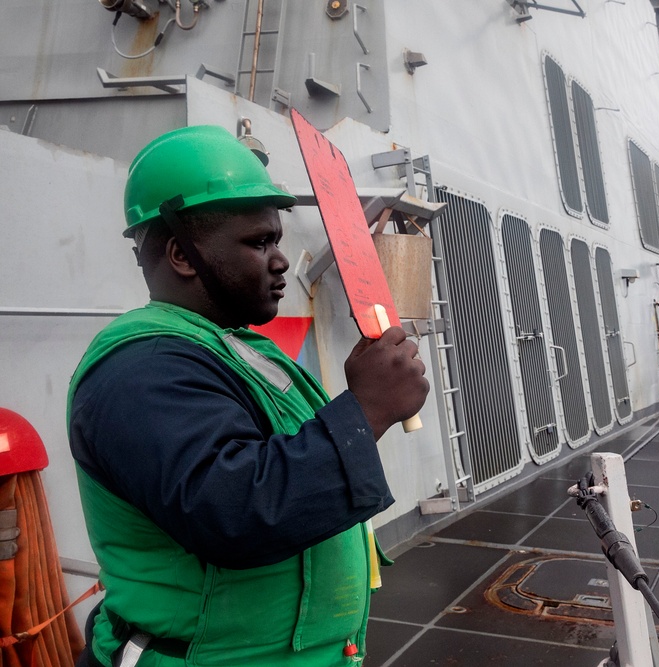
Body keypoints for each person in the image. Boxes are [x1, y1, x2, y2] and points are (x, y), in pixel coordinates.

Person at [67, 125, 429, 666]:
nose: (281, 260)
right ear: (181, 255)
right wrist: (367, 410)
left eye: (277, 240)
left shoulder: (231, 346)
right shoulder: (138, 369)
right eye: (259, 242)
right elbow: (232, 510)